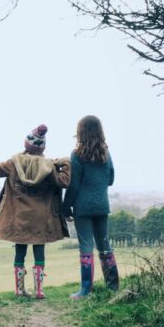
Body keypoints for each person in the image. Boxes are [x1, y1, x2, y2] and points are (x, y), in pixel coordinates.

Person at [0, 124, 71, 298]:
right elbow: (64, 181)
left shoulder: (13, 163)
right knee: (39, 249)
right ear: (42, 148)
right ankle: (39, 290)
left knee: (20, 249)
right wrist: (63, 161)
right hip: (41, 219)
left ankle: (19, 289)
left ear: (26, 144)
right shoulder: (49, 167)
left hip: (19, 217)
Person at [62, 115, 118, 296]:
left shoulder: (77, 155)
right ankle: (113, 287)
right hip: (102, 205)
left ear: (81, 132)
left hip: (83, 208)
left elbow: (74, 185)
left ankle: (86, 290)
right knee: (104, 245)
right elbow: (110, 179)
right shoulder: (106, 154)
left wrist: (65, 206)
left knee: (86, 246)